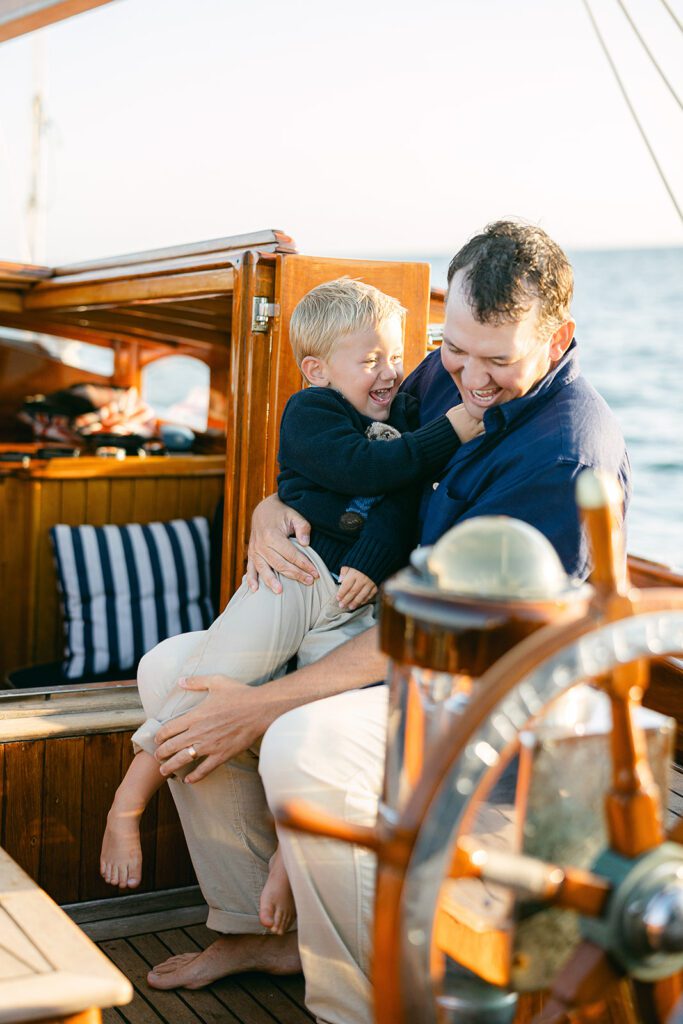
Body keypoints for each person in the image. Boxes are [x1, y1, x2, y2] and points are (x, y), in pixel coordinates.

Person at [144, 221, 631, 1023]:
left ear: (559, 339)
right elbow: (362, 469)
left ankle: (359, 999)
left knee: (303, 740)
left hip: (489, 699)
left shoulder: (565, 459)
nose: (469, 380)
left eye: (497, 362)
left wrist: (268, 704)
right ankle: (258, 929)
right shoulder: (446, 376)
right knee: (172, 670)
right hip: (391, 642)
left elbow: (447, 639)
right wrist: (273, 508)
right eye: (456, 350)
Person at [100, 279, 482, 934]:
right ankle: (129, 800)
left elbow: (398, 502)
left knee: (308, 731)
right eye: (369, 361)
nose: (388, 372)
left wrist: (368, 559)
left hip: (351, 603)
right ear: (317, 369)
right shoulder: (312, 412)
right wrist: (451, 429)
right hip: (294, 573)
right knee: (205, 678)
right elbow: (367, 471)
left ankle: (282, 865)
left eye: (394, 356)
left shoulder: (403, 413)